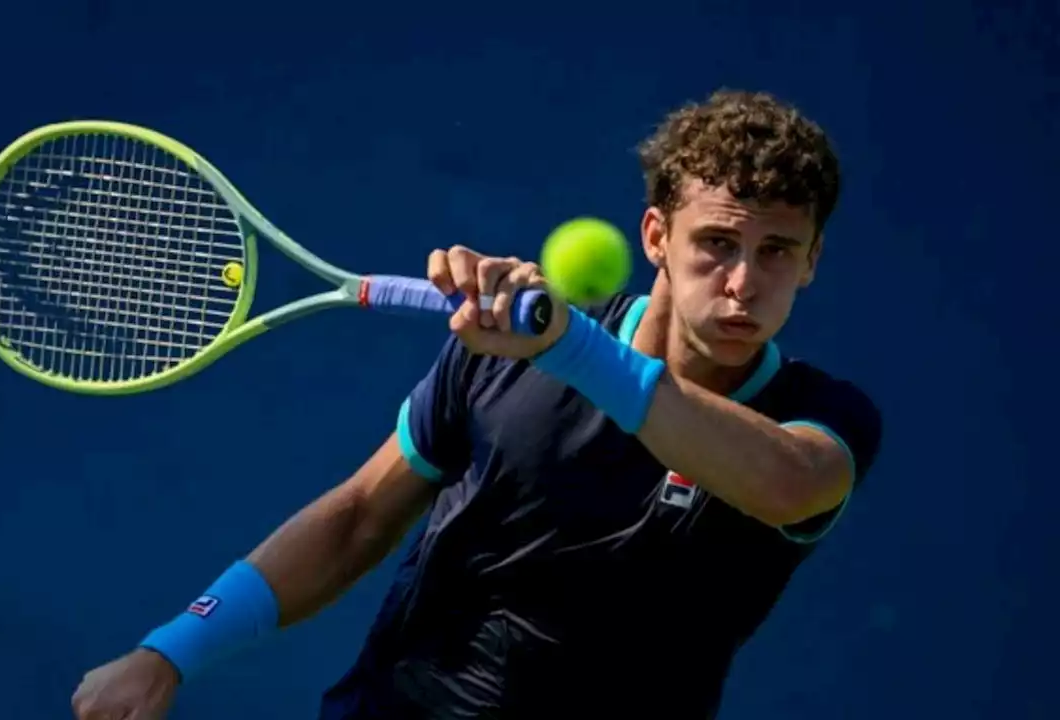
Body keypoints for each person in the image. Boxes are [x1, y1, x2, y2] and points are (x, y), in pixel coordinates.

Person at [71, 89, 883, 720]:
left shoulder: (820, 416)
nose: (744, 283)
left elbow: (786, 484)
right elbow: (358, 517)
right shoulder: (501, 359)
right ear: (656, 236)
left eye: (777, 251)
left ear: (812, 261)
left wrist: (570, 349)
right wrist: (171, 651)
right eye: (717, 243)